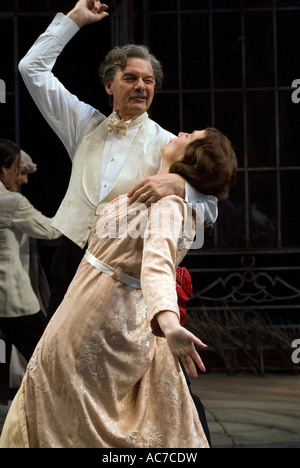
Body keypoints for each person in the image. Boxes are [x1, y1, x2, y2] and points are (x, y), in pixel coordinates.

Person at [0, 127, 238, 448]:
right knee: (60, 402)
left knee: (68, 409)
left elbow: (158, 266)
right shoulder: (160, 187)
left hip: (103, 315)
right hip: (89, 303)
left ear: (190, 158)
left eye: (189, 136)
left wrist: (169, 324)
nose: (180, 132)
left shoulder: (171, 206)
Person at [18, 0, 218, 319]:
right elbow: (32, 69)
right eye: (130, 78)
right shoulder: (83, 123)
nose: (141, 86)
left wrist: (179, 185)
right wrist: (74, 20)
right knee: (59, 358)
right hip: (72, 260)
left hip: (124, 267)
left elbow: (210, 207)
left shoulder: (169, 143)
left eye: (148, 80)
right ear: (109, 85)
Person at [0, 140, 61, 404]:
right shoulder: (11, 202)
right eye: (16, 170)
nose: (21, 179)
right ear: (3, 171)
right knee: (45, 354)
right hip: (11, 297)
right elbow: (51, 231)